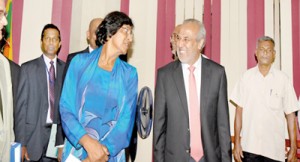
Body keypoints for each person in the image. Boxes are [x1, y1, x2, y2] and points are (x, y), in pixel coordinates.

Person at [60, 11, 138, 162]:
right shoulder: (79, 63)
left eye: (131, 33)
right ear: (109, 33)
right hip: (78, 150)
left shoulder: (130, 74)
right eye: (125, 31)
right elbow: (66, 108)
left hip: (110, 155)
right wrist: (88, 144)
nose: (130, 38)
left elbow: (126, 123)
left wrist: (100, 153)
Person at [153, 19, 232, 162]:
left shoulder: (217, 73)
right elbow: (159, 128)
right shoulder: (165, 75)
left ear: (200, 43)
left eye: (186, 39)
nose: (180, 44)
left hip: (209, 158)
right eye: (179, 38)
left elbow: (223, 126)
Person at [231, 36, 299, 162]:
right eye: (262, 49)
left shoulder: (283, 80)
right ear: (256, 53)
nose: (265, 52)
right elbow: (239, 112)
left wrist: (293, 147)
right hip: (249, 148)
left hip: (274, 151)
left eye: (269, 50)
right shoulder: (246, 78)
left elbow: (290, 115)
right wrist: (236, 144)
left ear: (274, 54)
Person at [14, 24, 65, 162]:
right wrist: (21, 143)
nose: (51, 42)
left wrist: (62, 143)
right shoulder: (27, 69)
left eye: (54, 39)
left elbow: (66, 109)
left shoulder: (66, 70)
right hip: (32, 137)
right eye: (47, 38)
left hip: (56, 139)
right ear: (41, 42)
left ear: (60, 43)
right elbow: (20, 109)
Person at [0, 0, 20, 161]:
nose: (5, 22)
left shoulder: (4, 64)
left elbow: (8, 124)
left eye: (5, 15)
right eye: (1, 14)